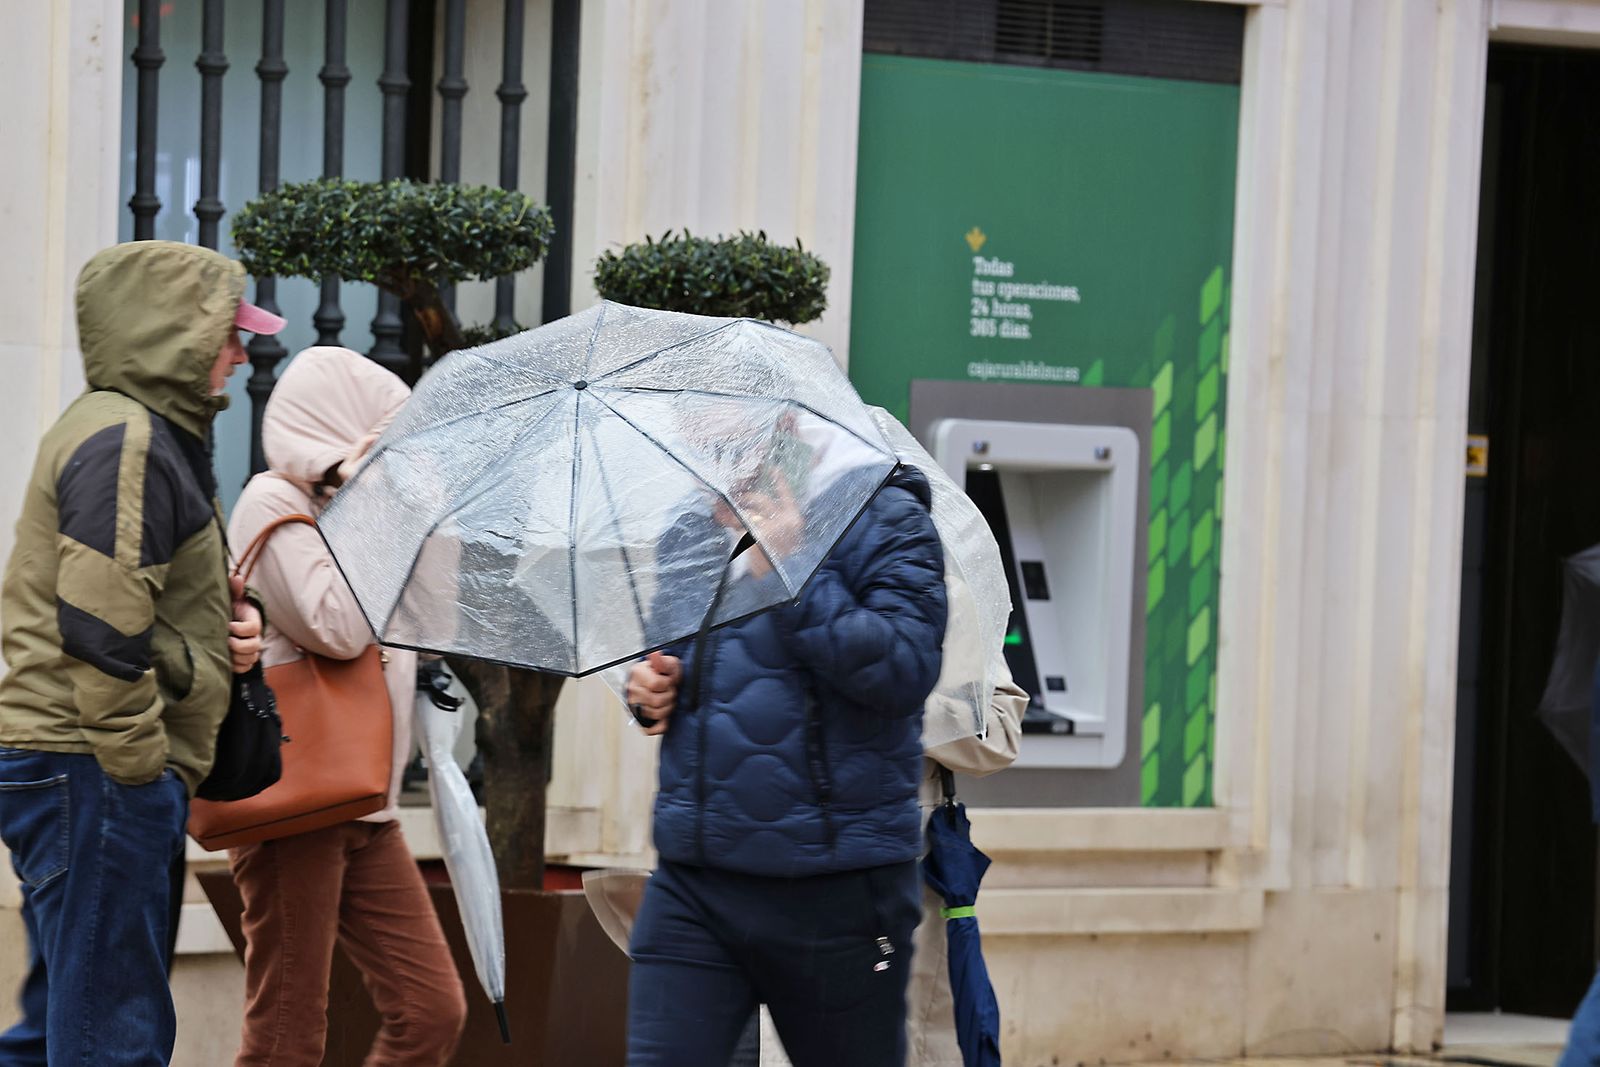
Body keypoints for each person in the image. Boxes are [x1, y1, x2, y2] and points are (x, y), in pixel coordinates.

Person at [0, 240, 273, 1066]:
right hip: (97, 765)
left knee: (62, 1021)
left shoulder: (133, 430)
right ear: (175, 334)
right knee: (109, 1035)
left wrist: (223, 636)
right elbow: (99, 621)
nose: (240, 352)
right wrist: (138, 768)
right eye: (228, 333)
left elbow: (131, 603)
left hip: (81, 762)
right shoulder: (126, 437)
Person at [624, 460, 949, 1067]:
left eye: (708, 400)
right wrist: (646, 690)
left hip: (839, 891)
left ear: (777, 411)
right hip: (695, 883)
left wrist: (788, 564)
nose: (689, 425)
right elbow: (669, 659)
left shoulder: (886, 517)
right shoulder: (691, 526)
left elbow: (904, 670)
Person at [224, 346, 467, 1067]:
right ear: (337, 425)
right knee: (287, 1034)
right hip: (297, 799)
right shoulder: (274, 502)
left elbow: (435, 616)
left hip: (370, 803)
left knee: (432, 1010)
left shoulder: (369, 508)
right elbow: (337, 626)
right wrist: (375, 505)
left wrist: (414, 505)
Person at [908, 654, 1028, 1066]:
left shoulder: (954, 594)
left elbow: (999, 733)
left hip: (909, 866)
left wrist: (899, 699)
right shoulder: (757, 600)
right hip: (792, 863)